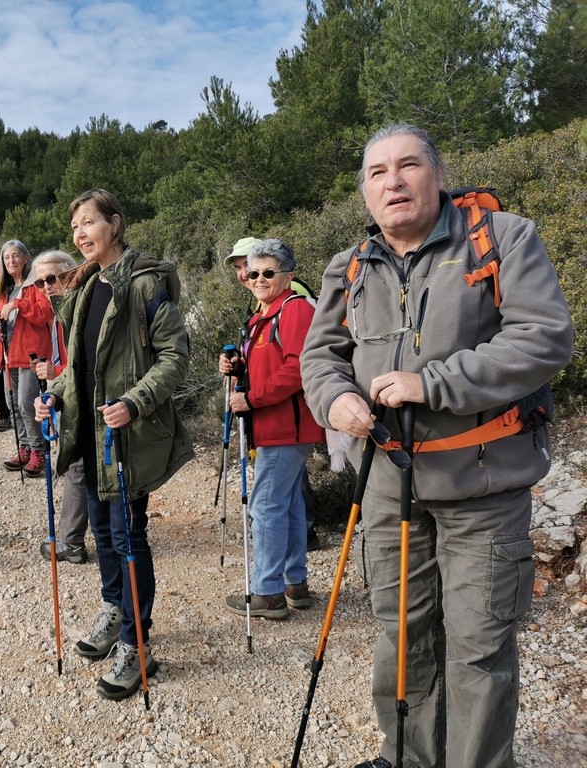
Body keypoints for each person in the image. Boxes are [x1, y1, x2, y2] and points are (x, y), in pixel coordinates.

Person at [301, 124, 573, 768]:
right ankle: (409, 758)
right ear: (365, 190)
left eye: (408, 165)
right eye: (377, 172)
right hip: (388, 492)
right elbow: (320, 357)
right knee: (402, 641)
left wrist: (433, 383)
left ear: (438, 174)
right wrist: (334, 399)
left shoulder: (505, 239)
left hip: (482, 489)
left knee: (478, 649)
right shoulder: (349, 266)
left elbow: (544, 338)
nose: (393, 181)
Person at [34, 189, 192, 700]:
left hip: (127, 434)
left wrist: (136, 402)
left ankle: (136, 640)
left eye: (89, 223)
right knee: (103, 534)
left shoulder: (145, 284)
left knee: (128, 538)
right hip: (91, 432)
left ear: (115, 224)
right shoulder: (85, 286)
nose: (80, 234)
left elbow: (174, 356)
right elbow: (78, 367)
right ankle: (113, 610)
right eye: (75, 226)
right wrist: (55, 396)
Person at [219, 237, 324, 621]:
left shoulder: (294, 311)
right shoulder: (264, 316)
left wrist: (253, 398)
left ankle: (267, 592)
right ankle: (295, 583)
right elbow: (268, 363)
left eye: (268, 272)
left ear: (288, 276)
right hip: (278, 428)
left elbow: (298, 368)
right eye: (253, 272)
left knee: (266, 506)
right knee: (290, 504)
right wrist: (236, 367)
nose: (258, 278)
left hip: (286, 427)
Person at [29, 250, 89, 565]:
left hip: (86, 401)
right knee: (79, 467)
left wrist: (56, 376)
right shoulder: (61, 310)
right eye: (40, 282)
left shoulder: (80, 306)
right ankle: (71, 539)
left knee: (78, 466)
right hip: (71, 397)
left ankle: (70, 541)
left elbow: (80, 363)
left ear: (69, 274)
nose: (46, 287)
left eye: (51, 278)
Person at [0, 240, 52, 477]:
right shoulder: (4, 291)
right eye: (6, 258)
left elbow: (44, 314)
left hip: (31, 354)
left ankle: (38, 452)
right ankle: (24, 448)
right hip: (8, 354)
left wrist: (19, 304)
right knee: (13, 404)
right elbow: (1, 316)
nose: (11, 261)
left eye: (16, 256)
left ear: (26, 258)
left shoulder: (35, 285)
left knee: (27, 403)